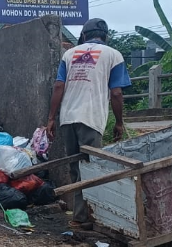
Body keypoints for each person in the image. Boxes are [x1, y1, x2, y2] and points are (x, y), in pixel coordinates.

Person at [46, 18, 132, 230]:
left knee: (76, 168)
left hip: (68, 119)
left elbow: (58, 87)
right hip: (91, 119)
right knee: (93, 167)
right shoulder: (113, 55)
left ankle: (80, 216)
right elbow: (117, 92)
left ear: (83, 36)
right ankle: (94, 217)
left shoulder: (69, 54)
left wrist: (50, 119)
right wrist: (119, 122)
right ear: (106, 36)